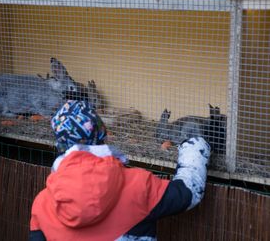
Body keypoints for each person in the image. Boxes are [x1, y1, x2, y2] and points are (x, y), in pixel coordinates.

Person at [29, 100, 211, 241]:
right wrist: (195, 146)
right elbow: (189, 193)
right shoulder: (138, 185)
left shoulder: (42, 204)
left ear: (59, 143)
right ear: (102, 133)